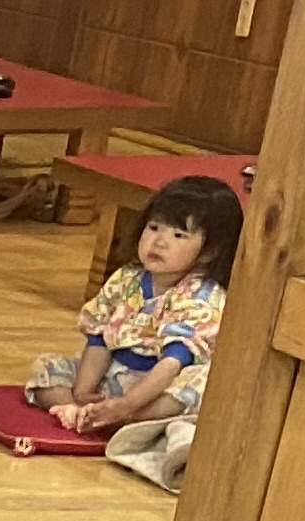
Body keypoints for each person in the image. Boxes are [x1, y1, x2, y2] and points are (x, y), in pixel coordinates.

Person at [26, 172, 239, 437]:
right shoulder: (126, 278)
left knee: (200, 385)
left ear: (209, 252)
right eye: (154, 228)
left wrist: (127, 405)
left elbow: (173, 363)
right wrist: (82, 392)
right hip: (113, 377)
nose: (159, 242)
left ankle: (127, 420)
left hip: (158, 387)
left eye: (178, 235)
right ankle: (75, 411)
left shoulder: (203, 297)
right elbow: (100, 337)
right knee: (46, 365)